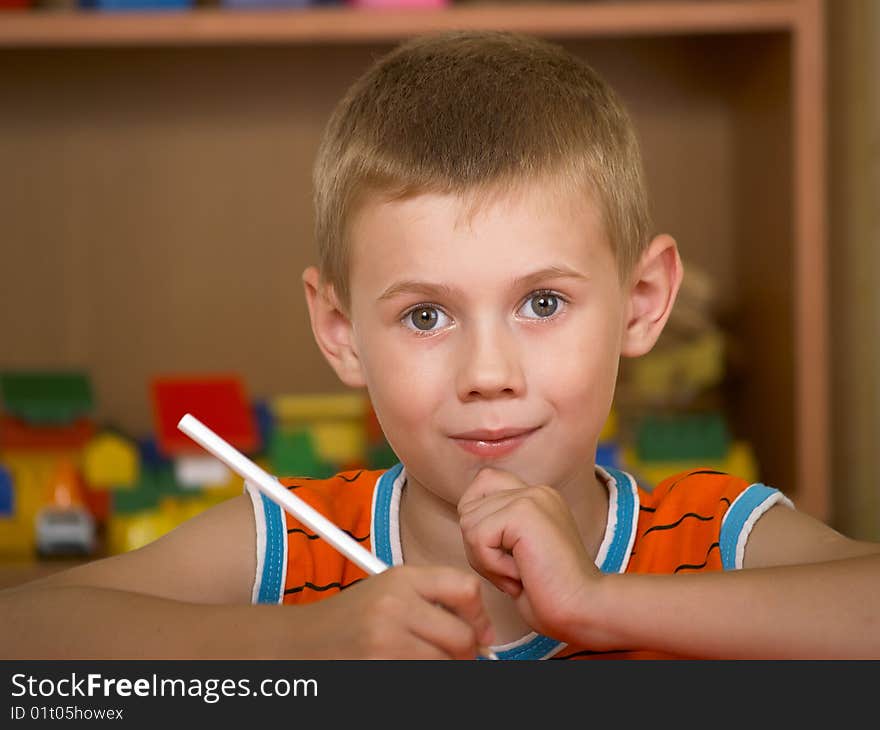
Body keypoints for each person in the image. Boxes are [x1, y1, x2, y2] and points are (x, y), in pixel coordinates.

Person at [2, 30, 878, 661]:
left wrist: (604, 607)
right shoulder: (286, 550)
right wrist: (304, 641)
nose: (488, 376)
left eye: (542, 302)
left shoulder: (711, 540)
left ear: (643, 303)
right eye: (427, 316)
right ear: (340, 331)